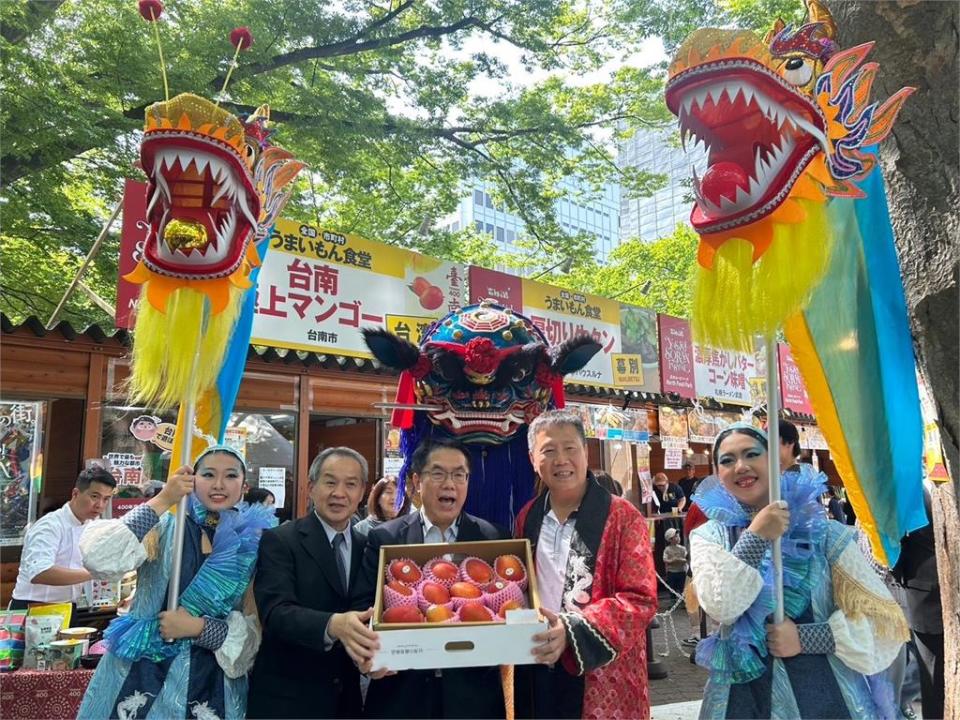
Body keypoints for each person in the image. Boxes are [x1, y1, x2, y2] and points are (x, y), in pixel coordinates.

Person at [690, 424, 907, 719]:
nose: (740, 466)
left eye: (751, 454)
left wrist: (809, 638)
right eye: (727, 460)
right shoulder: (709, 537)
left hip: (825, 699)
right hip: (744, 702)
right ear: (717, 473)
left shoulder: (826, 534)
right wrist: (756, 536)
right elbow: (722, 606)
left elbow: (883, 623)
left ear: (774, 462)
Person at [77, 445, 275, 719]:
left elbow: (254, 629)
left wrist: (200, 628)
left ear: (244, 486)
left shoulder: (253, 544)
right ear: (191, 479)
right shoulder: (164, 526)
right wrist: (163, 499)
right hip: (140, 671)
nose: (219, 485)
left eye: (230, 476)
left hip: (212, 679)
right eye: (207, 475)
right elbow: (99, 558)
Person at [514, 410, 657, 719]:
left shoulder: (623, 517)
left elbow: (640, 599)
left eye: (570, 448)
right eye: (548, 451)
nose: (561, 460)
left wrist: (571, 628)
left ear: (586, 451)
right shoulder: (528, 516)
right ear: (532, 458)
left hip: (602, 672)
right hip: (539, 662)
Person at [355, 438, 507, 719]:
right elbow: (364, 606)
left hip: (473, 698)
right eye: (438, 473)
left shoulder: (494, 538)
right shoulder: (385, 538)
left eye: (459, 475)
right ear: (417, 482)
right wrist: (369, 654)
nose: (449, 484)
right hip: (401, 694)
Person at [247, 447, 374, 719]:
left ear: (362, 492)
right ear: (311, 487)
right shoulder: (280, 540)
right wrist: (333, 625)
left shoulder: (369, 546)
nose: (339, 493)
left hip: (347, 701)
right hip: (289, 701)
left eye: (350, 484)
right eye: (330, 482)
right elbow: (275, 612)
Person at [10, 467, 116, 609]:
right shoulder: (50, 525)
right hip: (33, 607)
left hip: (68, 606)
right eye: (95, 496)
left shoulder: (92, 526)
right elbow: (40, 572)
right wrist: (93, 573)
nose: (100, 505)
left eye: (106, 499)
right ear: (75, 493)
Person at [663, 527, 688, 600]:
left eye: (678, 536)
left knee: (682, 587)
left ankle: (683, 601)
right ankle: (673, 600)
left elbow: (687, 559)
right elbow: (665, 559)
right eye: (676, 536)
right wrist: (672, 560)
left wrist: (681, 560)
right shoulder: (667, 549)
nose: (678, 538)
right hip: (672, 572)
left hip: (682, 571)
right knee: (672, 588)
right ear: (670, 539)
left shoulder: (682, 548)